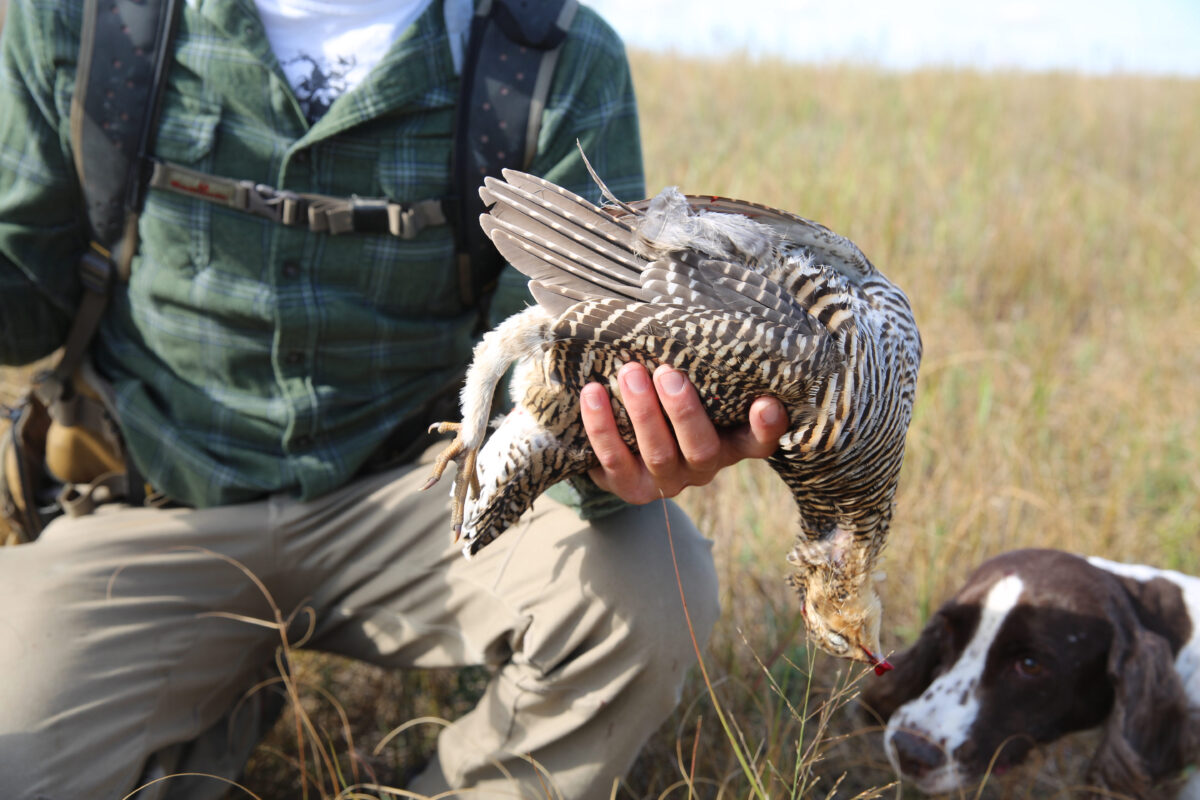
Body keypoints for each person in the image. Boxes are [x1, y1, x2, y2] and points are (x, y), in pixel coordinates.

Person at [0, 0, 788, 797]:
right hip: (156, 498)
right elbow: (27, 295)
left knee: (653, 585)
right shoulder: (86, 21)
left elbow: (550, 354)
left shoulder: (553, 54)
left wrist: (608, 447)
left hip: (429, 488)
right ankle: (211, 700)